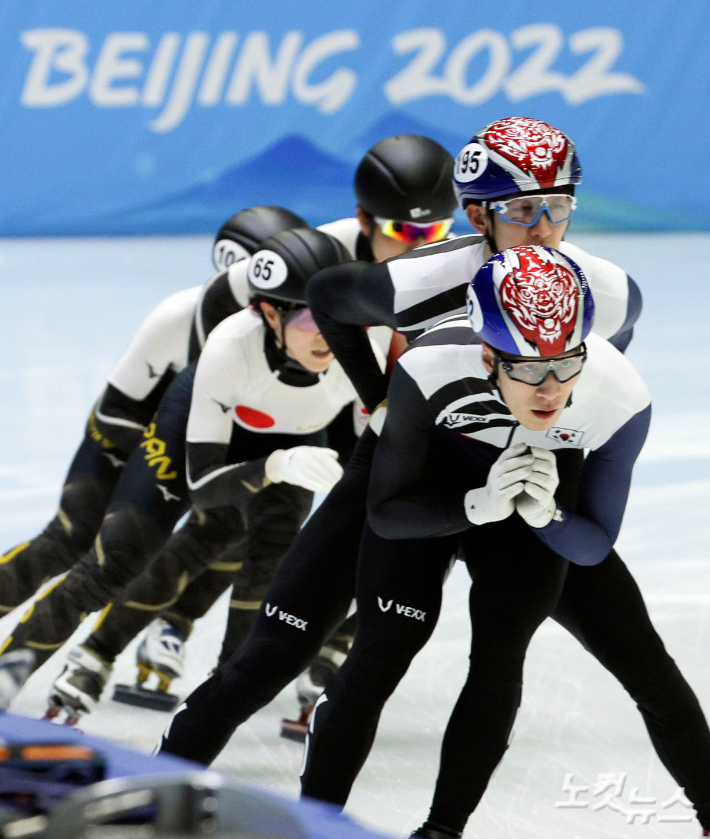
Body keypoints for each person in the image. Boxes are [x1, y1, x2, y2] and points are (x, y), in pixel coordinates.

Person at [156, 117, 641, 765]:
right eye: (525, 209)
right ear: (477, 213)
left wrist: (560, 427)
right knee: (274, 655)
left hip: (514, 484)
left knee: (624, 665)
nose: (545, 227)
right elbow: (328, 294)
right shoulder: (424, 277)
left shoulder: (600, 287)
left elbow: (614, 340)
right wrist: (376, 395)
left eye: (560, 207)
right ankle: (164, 783)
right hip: (408, 473)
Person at [298, 246, 710, 837]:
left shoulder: (618, 394)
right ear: (488, 355)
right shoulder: (431, 364)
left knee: (601, 659)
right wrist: (475, 506)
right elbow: (387, 513)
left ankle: (440, 831)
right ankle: (312, 825)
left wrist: (544, 517)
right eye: (528, 369)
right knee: (378, 655)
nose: (550, 389)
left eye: (567, 363)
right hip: (435, 491)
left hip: (537, 501)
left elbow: (592, 544)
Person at [117, 133, 459, 730]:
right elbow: (222, 305)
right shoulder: (329, 253)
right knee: (242, 524)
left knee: (415, 536)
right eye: (403, 233)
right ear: (364, 220)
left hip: (392, 402)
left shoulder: (457, 259)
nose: (420, 245)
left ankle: (331, 654)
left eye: (434, 233)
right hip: (329, 393)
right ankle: (174, 623)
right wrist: (220, 392)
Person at [0, 227, 363, 722]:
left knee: (271, 565)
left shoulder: (366, 339)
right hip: (206, 442)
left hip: (295, 436)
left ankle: (219, 705)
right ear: (268, 313)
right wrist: (275, 466)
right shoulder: (228, 347)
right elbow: (205, 488)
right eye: (307, 315)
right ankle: (10, 672)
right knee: (116, 558)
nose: (328, 330)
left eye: (336, 309)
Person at [0, 205, 307, 615]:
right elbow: (116, 415)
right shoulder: (179, 316)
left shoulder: (296, 336)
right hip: (128, 435)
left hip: (190, 441)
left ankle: (168, 634)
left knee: (235, 527)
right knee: (71, 539)